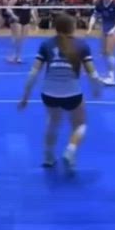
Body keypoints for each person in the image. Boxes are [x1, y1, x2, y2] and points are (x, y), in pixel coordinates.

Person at [18, 12, 105, 172]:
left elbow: (33, 74)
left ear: (55, 28)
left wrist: (25, 97)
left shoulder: (46, 44)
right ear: (72, 28)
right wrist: (96, 89)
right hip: (72, 94)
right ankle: (70, 150)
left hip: (49, 94)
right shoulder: (82, 45)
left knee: (52, 122)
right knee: (80, 125)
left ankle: (48, 157)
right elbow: (93, 73)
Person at [88, 0, 115, 86]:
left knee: (110, 52)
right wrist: (90, 27)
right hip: (104, 29)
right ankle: (110, 74)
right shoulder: (100, 4)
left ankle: (112, 78)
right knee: (104, 53)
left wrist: (113, 29)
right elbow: (94, 15)